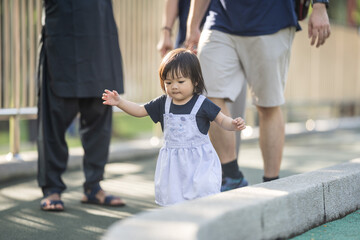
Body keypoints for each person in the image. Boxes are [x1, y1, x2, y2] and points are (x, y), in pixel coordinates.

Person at [186, 0, 331, 189]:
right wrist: (193, 26)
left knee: (267, 104)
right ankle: (231, 176)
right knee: (205, 92)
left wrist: (319, 5)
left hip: (272, 20)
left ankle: (272, 183)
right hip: (221, 18)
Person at [102, 48, 246, 206]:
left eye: (180, 81)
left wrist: (232, 124)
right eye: (168, 82)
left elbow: (221, 119)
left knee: (203, 193)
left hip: (199, 163)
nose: (174, 87)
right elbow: (140, 110)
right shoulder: (163, 103)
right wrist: (120, 102)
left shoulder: (202, 103)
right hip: (173, 165)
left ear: (195, 81)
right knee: (174, 198)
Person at [38, 0, 126, 211]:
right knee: (54, 117)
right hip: (61, 31)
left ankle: (93, 186)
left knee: (99, 111)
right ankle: (52, 188)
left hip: (100, 33)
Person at [158, 0, 248, 191]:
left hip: (232, 31)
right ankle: (194, 175)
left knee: (227, 109)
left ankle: (227, 172)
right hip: (193, 36)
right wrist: (167, 31)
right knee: (188, 108)